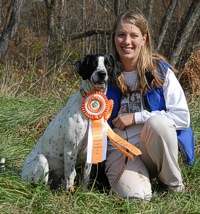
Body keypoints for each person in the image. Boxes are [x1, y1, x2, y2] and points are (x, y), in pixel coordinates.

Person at [104, 11, 195, 201]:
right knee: (136, 197)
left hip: (152, 147)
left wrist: (137, 117)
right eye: (121, 34)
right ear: (114, 38)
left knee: (158, 123)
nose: (126, 41)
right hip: (119, 149)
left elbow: (182, 117)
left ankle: (172, 185)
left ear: (144, 38)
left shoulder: (161, 72)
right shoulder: (102, 74)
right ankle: (140, 184)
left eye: (134, 35)